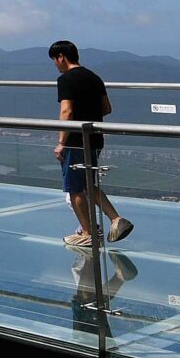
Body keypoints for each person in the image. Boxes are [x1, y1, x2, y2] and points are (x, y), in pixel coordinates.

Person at [51, 40, 132, 249]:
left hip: (75, 141)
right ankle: (116, 219)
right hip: (94, 138)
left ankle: (87, 233)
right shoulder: (94, 77)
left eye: (55, 60)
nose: (55, 64)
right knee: (88, 184)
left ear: (61, 57)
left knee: (75, 189)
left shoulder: (66, 80)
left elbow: (66, 112)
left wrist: (61, 142)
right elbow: (106, 108)